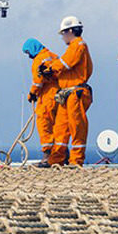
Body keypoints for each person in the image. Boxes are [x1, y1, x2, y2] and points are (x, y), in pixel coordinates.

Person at [42, 16, 93, 166]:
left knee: (76, 126)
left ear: (70, 30)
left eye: (63, 33)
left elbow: (66, 63)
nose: (63, 37)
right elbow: (64, 66)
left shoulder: (78, 45)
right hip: (67, 94)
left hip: (75, 93)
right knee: (61, 128)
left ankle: (76, 161)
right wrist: (50, 71)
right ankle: (56, 160)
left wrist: (49, 68)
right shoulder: (73, 47)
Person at [23, 38, 61, 167]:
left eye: (28, 53)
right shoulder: (53, 56)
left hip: (48, 95)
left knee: (44, 123)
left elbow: (37, 81)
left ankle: (47, 156)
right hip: (60, 94)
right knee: (58, 125)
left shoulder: (39, 59)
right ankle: (61, 154)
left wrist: (32, 93)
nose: (29, 56)